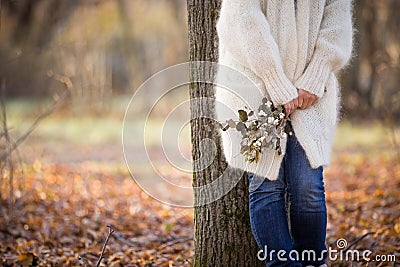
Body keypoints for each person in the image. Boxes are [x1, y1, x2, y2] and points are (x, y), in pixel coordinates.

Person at [215, 0, 353, 266]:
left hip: (310, 92)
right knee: (266, 187)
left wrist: (315, 77)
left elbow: (338, 22)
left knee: (308, 189)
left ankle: (314, 262)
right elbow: (243, 19)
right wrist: (276, 82)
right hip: (256, 85)